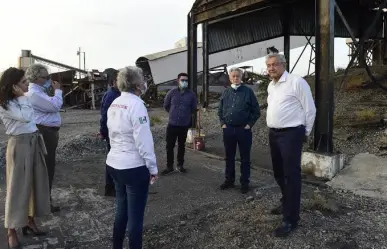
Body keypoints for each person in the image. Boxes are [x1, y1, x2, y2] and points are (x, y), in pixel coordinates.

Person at [106, 66, 158, 249]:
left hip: (114, 163)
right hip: (133, 166)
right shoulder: (137, 105)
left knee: (122, 211)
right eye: (142, 79)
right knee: (136, 217)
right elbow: (144, 141)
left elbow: (110, 132)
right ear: (137, 84)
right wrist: (153, 168)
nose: (144, 82)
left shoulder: (115, 103)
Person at [265, 53, 316, 237]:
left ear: (283, 65)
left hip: (291, 133)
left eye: (274, 64)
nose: (271, 68)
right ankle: (287, 202)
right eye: (268, 65)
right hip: (274, 133)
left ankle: (291, 219)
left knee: (291, 175)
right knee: (278, 172)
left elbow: (310, 109)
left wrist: (305, 133)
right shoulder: (271, 86)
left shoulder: (297, 82)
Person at [0, 68, 50, 248]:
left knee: (34, 185)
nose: (26, 84)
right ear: (13, 86)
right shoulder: (5, 104)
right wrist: (23, 97)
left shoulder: (22, 99)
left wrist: (23, 96)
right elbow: (27, 116)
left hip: (33, 142)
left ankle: (30, 221)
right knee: (17, 188)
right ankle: (11, 230)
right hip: (20, 145)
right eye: (22, 82)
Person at [25, 64, 63, 213]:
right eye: (45, 77)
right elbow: (55, 106)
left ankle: (44, 201)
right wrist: (58, 91)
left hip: (48, 131)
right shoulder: (35, 94)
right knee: (47, 167)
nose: (48, 80)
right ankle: (44, 203)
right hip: (45, 132)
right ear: (36, 78)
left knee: (48, 166)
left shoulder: (40, 92)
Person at [218, 67, 260, 194]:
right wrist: (222, 124)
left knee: (245, 158)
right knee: (229, 157)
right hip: (228, 129)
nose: (235, 78)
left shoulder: (248, 92)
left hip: (243, 130)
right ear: (230, 78)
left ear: (241, 78)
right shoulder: (226, 92)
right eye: (233, 76)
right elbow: (220, 110)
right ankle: (229, 180)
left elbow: (256, 111)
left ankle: (244, 183)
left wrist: (249, 125)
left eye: (238, 76)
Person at [162, 73, 197, 175]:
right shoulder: (171, 93)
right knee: (169, 146)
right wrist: (174, 113)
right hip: (172, 124)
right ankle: (169, 167)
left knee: (182, 145)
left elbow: (193, 108)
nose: (184, 82)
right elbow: (166, 106)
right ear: (178, 80)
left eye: (186, 80)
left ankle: (180, 165)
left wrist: (184, 115)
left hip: (184, 125)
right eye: (182, 80)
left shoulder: (191, 95)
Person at [99, 68, 120, 197]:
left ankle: (113, 185)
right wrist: (103, 132)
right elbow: (105, 116)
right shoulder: (111, 95)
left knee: (115, 159)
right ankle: (110, 187)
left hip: (115, 132)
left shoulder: (117, 94)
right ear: (113, 82)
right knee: (112, 160)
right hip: (112, 134)